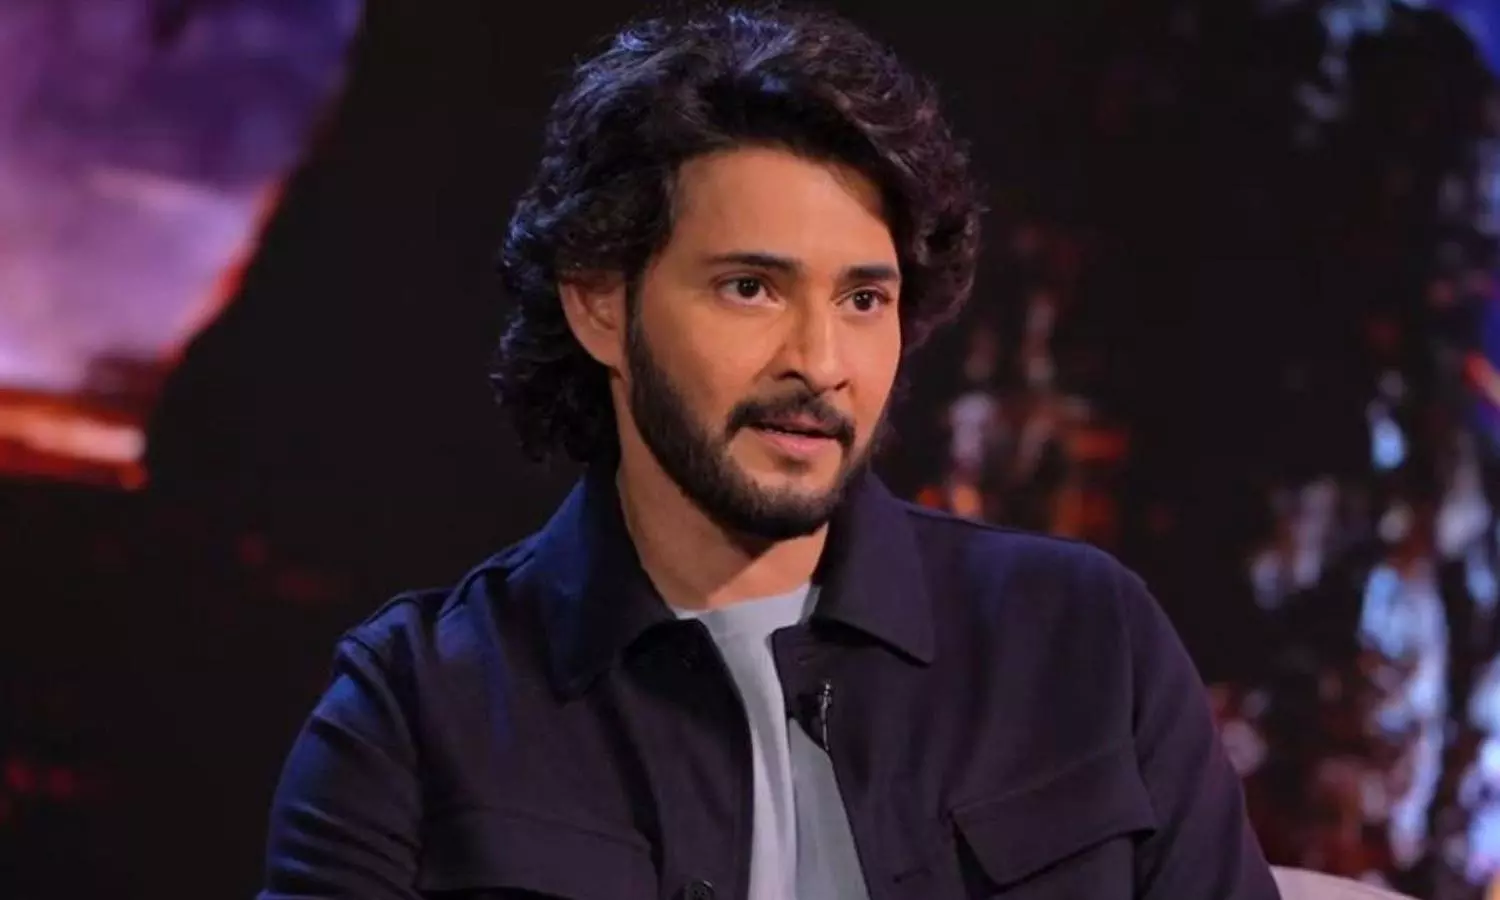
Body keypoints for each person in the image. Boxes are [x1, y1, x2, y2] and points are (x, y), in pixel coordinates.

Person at [258, 6, 1280, 899]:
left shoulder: (1084, 641)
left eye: (863, 299)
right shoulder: (417, 711)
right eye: (750, 288)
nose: (820, 363)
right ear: (601, 303)